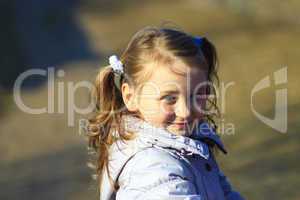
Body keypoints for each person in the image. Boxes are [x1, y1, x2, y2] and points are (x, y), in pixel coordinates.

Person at [85, 26, 245, 200]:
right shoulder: (151, 166)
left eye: (197, 94)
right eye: (169, 99)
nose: (185, 111)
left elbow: (225, 194)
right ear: (131, 97)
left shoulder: (190, 143)